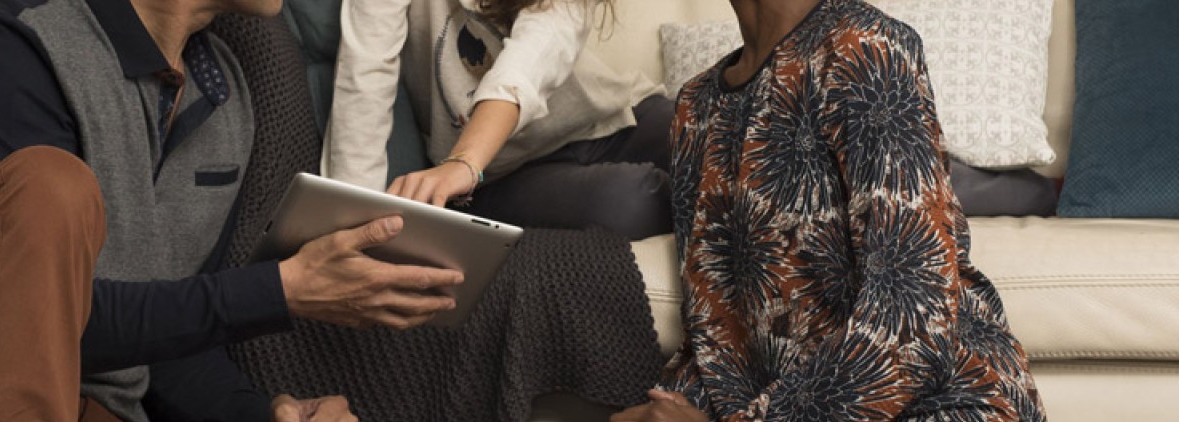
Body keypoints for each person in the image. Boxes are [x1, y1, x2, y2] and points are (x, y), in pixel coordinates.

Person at [0, 0, 466, 419]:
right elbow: (33, 312)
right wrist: (281, 290)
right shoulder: (14, 43)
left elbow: (165, 334)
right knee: (49, 184)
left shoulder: (227, 100)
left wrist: (263, 415)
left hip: (94, 406)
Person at [613, 0, 1043, 420]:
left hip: (943, 399)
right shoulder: (695, 105)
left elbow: (913, 314)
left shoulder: (866, 47)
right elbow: (713, 329)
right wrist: (667, 405)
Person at [328, 0, 670, 229]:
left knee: (700, 133)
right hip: (500, 174)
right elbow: (366, 76)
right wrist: (350, 219)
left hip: (603, 121)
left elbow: (530, 61)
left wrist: (465, 160)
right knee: (636, 201)